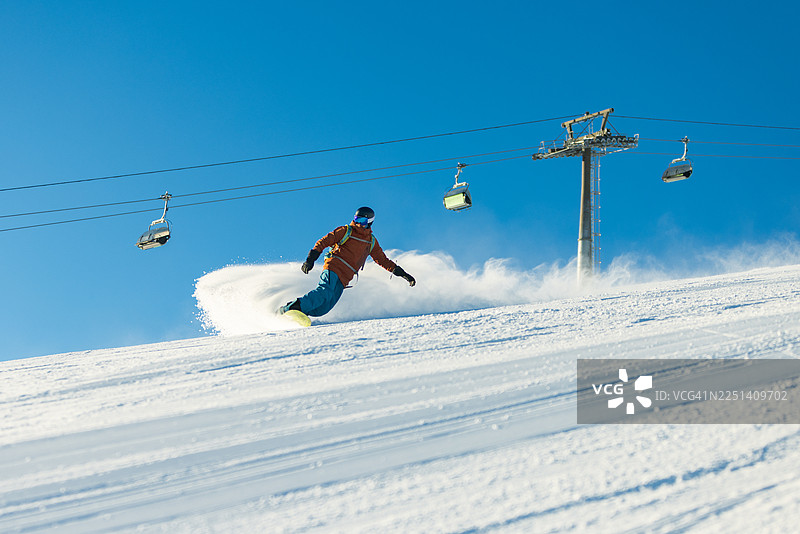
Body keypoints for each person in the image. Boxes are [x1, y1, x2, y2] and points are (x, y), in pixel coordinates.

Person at [279, 206, 416, 317]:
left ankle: (300, 313)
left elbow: (383, 260)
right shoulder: (346, 231)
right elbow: (323, 241)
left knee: (325, 307)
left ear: (369, 222)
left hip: (345, 277)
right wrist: (310, 259)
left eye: (362, 221)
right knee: (324, 292)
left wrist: (404, 275)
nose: (358, 223)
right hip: (333, 266)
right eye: (356, 219)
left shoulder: (371, 241)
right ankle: (293, 308)